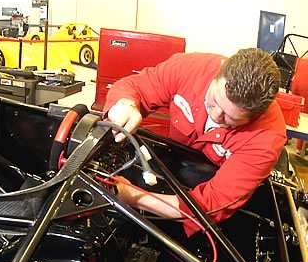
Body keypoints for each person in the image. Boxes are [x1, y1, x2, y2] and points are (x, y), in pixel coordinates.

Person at [103, 48, 286, 236]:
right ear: (219, 71)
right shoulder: (192, 68)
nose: (215, 116)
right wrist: (126, 105)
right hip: (169, 165)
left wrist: (134, 197)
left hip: (203, 191)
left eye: (231, 118)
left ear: (257, 115)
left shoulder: (266, 138)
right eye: (214, 101)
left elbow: (209, 206)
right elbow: (137, 86)